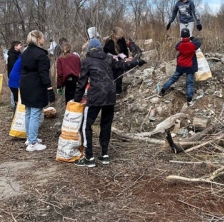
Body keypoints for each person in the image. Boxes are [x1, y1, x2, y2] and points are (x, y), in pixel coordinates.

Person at [73, 38, 146, 167]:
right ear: (100, 48)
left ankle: (89, 157)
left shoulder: (87, 61)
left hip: (96, 95)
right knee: (106, 124)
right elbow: (122, 65)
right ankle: (104, 155)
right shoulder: (108, 58)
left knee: (87, 125)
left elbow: (82, 82)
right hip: (110, 95)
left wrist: (77, 99)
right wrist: (137, 62)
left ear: (90, 49)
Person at [20, 30, 55, 152]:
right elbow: (43, 73)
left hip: (25, 83)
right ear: (38, 39)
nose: (44, 39)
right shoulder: (40, 54)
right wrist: (49, 88)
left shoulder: (24, 52)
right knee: (35, 113)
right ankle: (33, 143)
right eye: (43, 37)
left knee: (29, 112)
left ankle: (30, 138)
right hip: (35, 85)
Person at [159, 28, 201, 106]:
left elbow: (177, 46)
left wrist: (184, 40)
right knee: (189, 83)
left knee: (173, 78)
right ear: (188, 35)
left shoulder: (179, 45)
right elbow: (198, 43)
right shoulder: (193, 45)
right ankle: (189, 101)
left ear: (181, 36)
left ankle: (162, 91)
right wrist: (192, 38)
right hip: (190, 67)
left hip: (181, 66)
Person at [103, 27, 129, 95]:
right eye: (119, 34)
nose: (121, 36)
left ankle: (118, 90)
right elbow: (105, 51)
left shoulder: (122, 39)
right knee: (113, 75)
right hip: (112, 60)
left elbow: (125, 49)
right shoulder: (109, 41)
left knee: (120, 74)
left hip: (121, 58)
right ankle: (111, 90)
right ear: (114, 35)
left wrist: (126, 58)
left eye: (121, 34)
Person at [7, 41, 22, 109]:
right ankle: (14, 106)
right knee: (14, 92)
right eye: (19, 45)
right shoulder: (12, 55)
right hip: (13, 76)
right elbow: (13, 66)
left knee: (15, 92)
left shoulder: (18, 54)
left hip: (16, 76)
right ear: (15, 46)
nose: (21, 46)